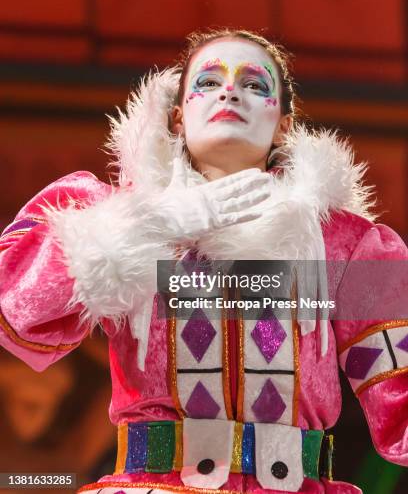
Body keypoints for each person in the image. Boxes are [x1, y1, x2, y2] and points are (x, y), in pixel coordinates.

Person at [0, 29, 407, 494]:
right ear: (178, 118)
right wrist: (146, 224)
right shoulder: (110, 218)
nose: (230, 90)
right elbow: (15, 311)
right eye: (209, 82)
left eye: (255, 85)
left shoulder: (346, 246)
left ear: (284, 125)